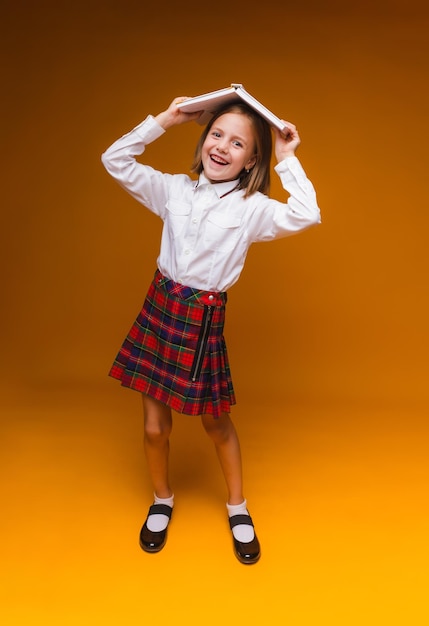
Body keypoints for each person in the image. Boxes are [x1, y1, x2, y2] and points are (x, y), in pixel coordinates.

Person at [101, 94, 321, 565]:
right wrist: (165, 120)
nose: (222, 147)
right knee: (155, 427)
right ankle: (162, 500)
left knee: (215, 423)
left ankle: (237, 508)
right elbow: (114, 160)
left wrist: (287, 160)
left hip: (201, 321)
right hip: (160, 310)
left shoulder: (252, 209)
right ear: (203, 140)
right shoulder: (173, 190)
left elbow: (307, 213)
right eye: (216, 135)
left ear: (252, 158)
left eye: (237, 142)